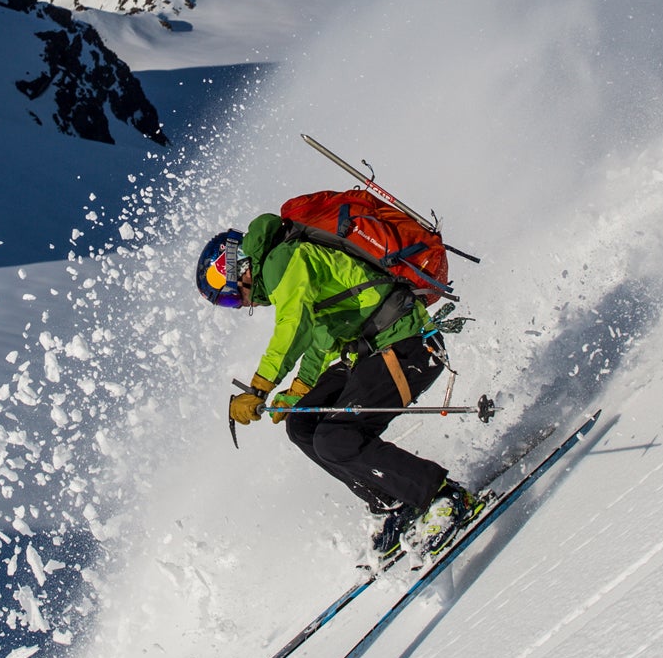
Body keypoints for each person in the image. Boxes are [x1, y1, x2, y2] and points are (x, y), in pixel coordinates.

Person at [199, 214, 481, 556]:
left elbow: (294, 327)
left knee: (336, 438)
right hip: (372, 352)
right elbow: (321, 339)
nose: (242, 305)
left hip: (409, 346)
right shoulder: (289, 262)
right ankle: (393, 503)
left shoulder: (283, 260)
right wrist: (300, 389)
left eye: (230, 298)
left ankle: (443, 496)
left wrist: (259, 388)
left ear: (237, 268)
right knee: (302, 424)